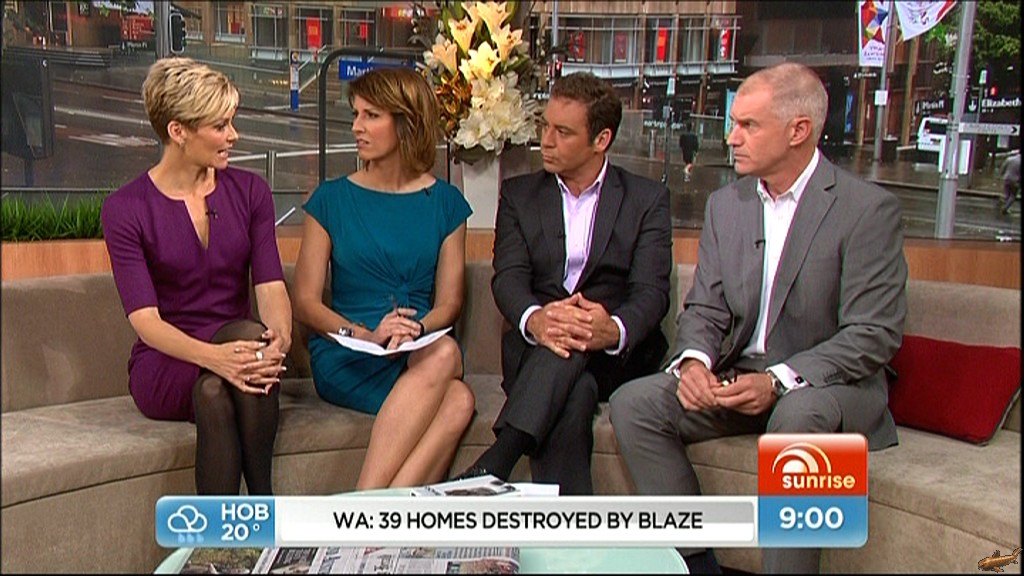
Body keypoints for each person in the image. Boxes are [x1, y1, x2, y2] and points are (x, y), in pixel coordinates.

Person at [610, 62, 908, 574]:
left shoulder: (866, 210)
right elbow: (707, 307)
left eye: (748, 125)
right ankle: (694, 562)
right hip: (740, 377)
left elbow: (872, 334)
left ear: (798, 131)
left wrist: (776, 381)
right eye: (734, 123)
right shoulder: (727, 205)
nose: (732, 138)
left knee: (799, 417)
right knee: (635, 403)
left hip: (831, 386)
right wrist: (694, 363)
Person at [455, 72, 673, 495]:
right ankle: (568, 524)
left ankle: (499, 458)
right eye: (545, 127)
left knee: (573, 351)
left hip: (615, 358)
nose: (547, 141)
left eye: (563, 132)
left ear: (601, 139)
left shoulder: (646, 200)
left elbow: (651, 291)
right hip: (538, 348)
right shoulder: (519, 195)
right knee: (574, 391)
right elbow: (509, 277)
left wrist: (613, 329)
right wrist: (536, 320)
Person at [101, 58, 291, 496]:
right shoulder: (126, 209)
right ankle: (265, 506)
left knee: (214, 392)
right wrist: (214, 357)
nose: (233, 136)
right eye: (220, 126)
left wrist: (279, 338)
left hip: (238, 348)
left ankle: (230, 530)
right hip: (168, 359)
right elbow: (146, 322)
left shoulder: (250, 192)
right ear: (178, 131)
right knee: (234, 360)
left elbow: (270, 286)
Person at [291, 67, 475, 490]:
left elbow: (450, 304)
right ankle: (367, 503)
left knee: (458, 395)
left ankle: (370, 511)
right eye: (355, 114)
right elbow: (305, 302)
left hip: (418, 352)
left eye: (371, 116)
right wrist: (366, 334)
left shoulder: (446, 203)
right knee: (448, 362)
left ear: (406, 122)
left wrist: (413, 330)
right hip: (349, 354)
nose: (357, 127)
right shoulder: (331, 199)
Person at [1000, 148, 1020, 214]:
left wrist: (1001, 174)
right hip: (1016, 180)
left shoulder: (1009, 159)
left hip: (1007, 178)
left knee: (1007, 193)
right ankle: (1006, 208)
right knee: (1013, 195)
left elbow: (1003, 167)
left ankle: (1006, 206)